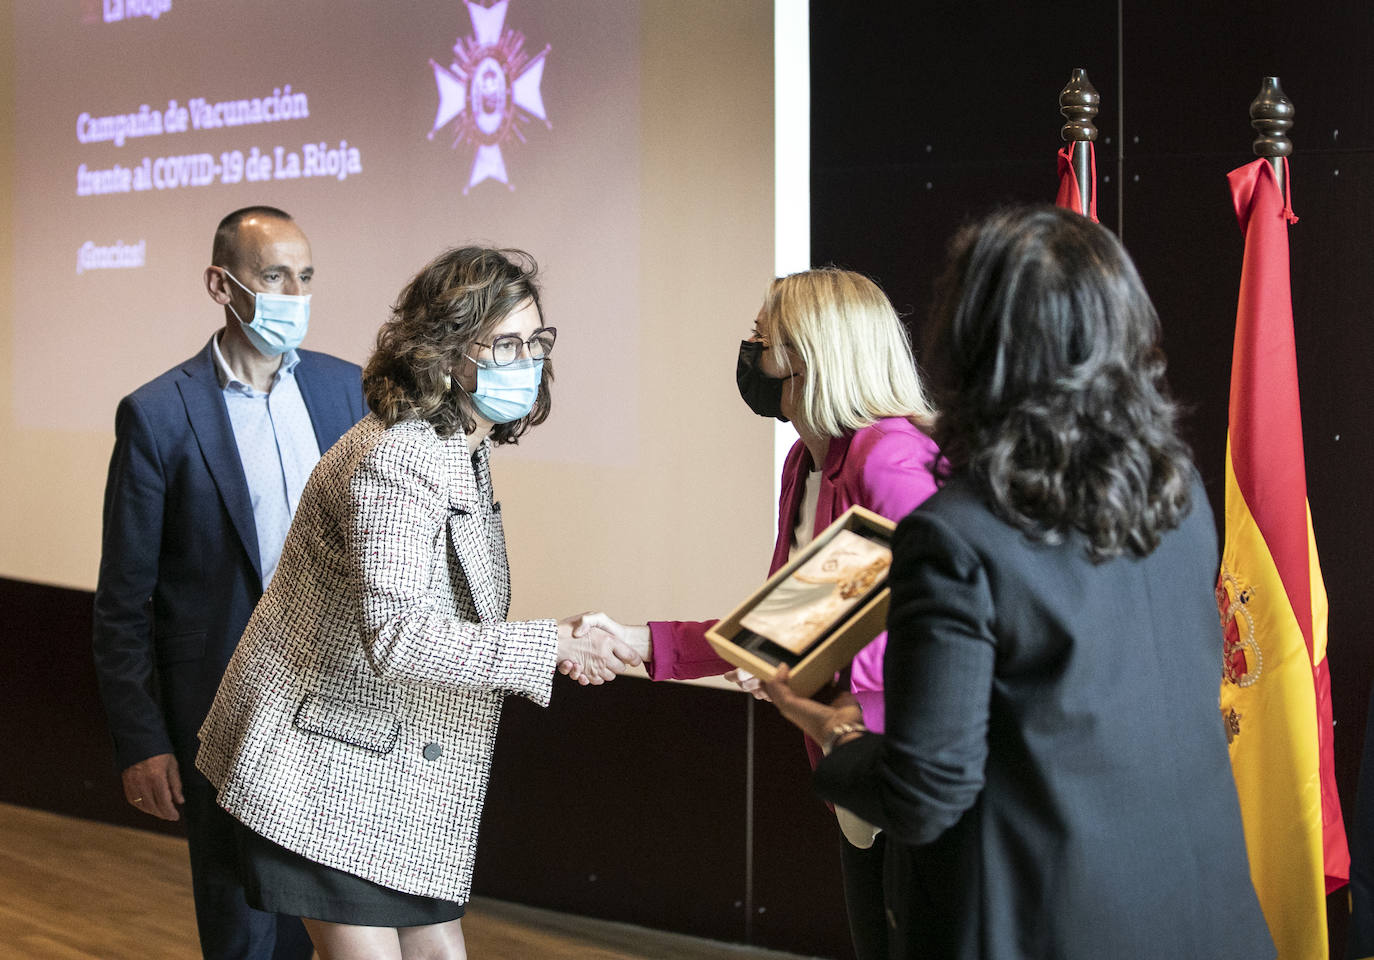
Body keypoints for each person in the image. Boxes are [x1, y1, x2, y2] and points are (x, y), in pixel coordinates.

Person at [764, 206, 1275, 959]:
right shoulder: (1180, 497)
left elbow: (925, 793)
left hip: (1046, 925)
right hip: (1206, 919)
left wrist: (832, 731)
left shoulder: (958, 537)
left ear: (974, 347)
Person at [195, 245, 640, 960]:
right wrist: (551, 644)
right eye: (502, 343)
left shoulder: (456, 446)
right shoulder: (400, 455)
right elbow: (400, 635)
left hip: (386, 774)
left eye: (534, 341)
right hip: (323, 771)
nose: (524, 360)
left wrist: (559, 636)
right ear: (444, 351)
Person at [584, 267, 940, 960]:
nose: (750, 355)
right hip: (851, 762)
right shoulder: (806, 466)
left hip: (908, 758)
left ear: (810, 356)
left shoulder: (891, 458)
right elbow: (789, 622)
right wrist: (636, 643)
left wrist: (808, 663)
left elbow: (935, 614)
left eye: (761, 339)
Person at [92, 205, 366, 960]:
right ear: (222, 283)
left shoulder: (351, 393)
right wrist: (140, 738)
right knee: (246, 934)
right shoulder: (159, 413)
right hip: (223, 712)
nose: (293, 295)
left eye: (304, 278)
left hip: (342, 707)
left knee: (347, 930)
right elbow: (124, 598)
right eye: (273, 275)